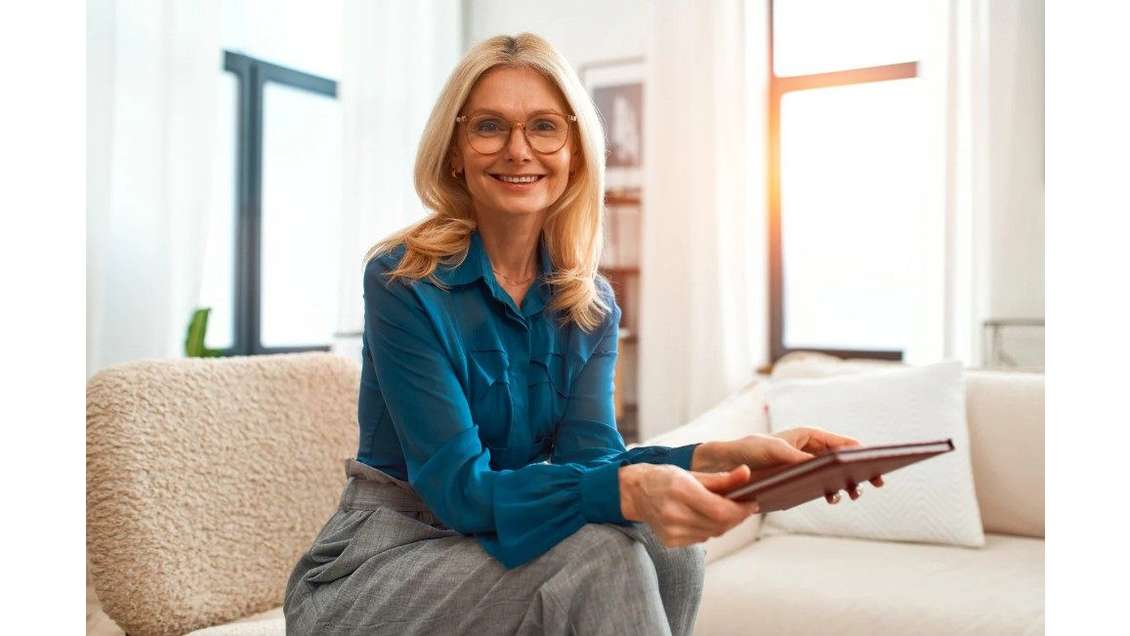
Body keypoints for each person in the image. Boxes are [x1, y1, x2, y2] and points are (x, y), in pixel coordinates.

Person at [283, 33, 882, 636]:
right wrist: (629, 487)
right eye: (490, 126)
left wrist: (721, 454)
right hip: (383, 564)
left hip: (487, 546)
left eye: (544, 127)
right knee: (601, 556)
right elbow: (461, 491)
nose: (519, 150)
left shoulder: (589, 307)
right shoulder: (402, 280)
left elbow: (592, 465)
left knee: (666, 545)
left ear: (574, 153)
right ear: (455, 151)